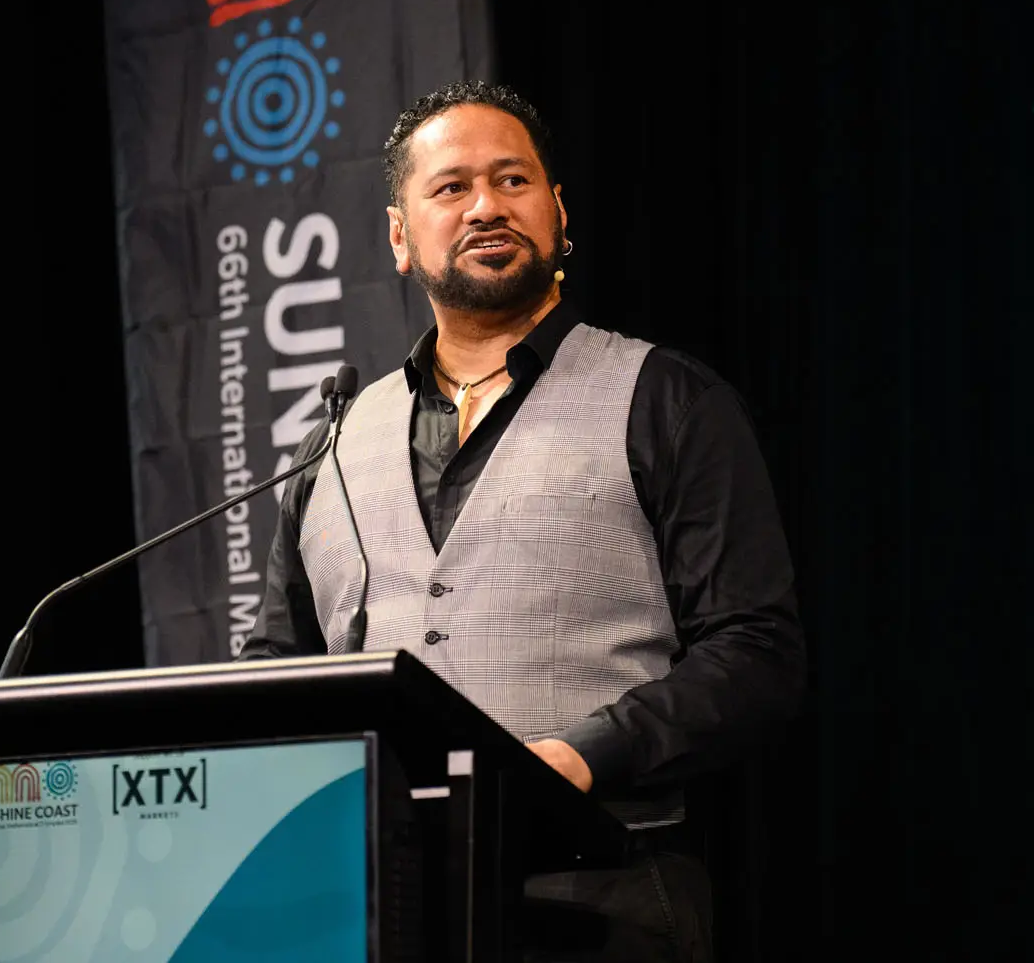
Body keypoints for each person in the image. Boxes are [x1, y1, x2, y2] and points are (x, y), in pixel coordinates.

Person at [240, 81, 805, 962]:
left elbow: (756, 651)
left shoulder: (668, 401)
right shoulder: (333, 443)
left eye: (513, 180)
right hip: (377, 905)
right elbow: (278, 667)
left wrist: (587, 753)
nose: (486, 207)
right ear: (399, 236)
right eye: (451, 187)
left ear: (559, 213)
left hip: (605, 893)